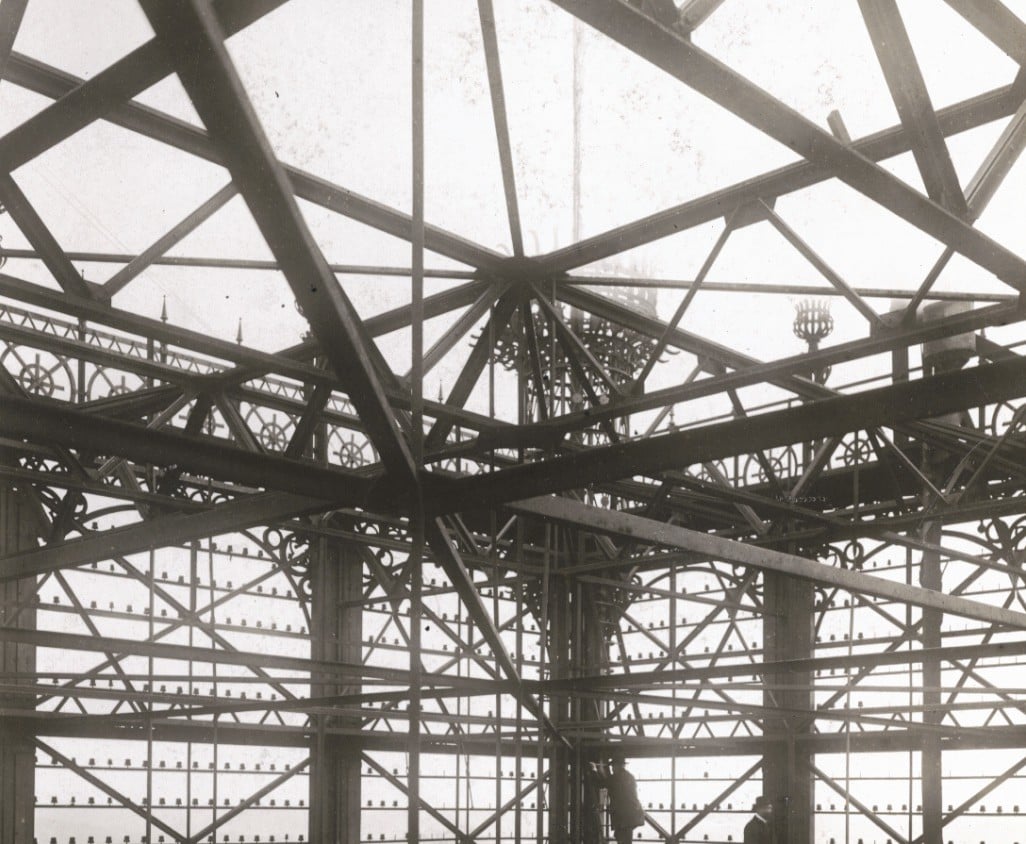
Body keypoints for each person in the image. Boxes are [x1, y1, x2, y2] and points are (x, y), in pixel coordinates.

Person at [591, 755, 645, 844]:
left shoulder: (616, 777)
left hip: (622, 816)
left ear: (618, 766)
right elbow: (611, 782)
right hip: (632, 815)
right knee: (625, 839)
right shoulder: (629, 776)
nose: (612, 768)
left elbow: (600, 783)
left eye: (613, 766)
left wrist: (594, 769)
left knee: (622, 839)